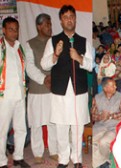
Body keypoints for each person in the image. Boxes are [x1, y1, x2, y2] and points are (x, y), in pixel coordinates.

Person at [41, 5, 93, 168]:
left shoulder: (84, 41)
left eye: (71, 16)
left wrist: (79, 58)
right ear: (61, 20)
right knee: (62, 126)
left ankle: (76, 158)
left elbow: (91, 66)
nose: (69, 19)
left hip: (79, 91)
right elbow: (44, 65)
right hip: (60, 91)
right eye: (66, 17)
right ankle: (63, 159)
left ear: (75, 18)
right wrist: (55, 54)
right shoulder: (53, 40)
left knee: (77, 126)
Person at [25, 13, 58, 164]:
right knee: (36, 123)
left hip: (53, 90)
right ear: (39, 26)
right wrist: (44, 78)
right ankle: (37, 153)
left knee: (53, 122)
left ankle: (54, 151)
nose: (49, 27)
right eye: (46, 24)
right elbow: (29, 67)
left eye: (50, 24)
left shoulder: (55, 42)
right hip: (37, 89)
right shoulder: (29, 44)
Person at [0, 17, 31, 168]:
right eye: (11, 29)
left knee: (21, 128)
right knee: (2, 130)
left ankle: (18, 157)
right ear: (4, 30)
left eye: (16, 29)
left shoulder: (19, 48)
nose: (14, 32)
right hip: (4, 95)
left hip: (20, 94)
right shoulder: (0, 47)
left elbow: (23, 71)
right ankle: (1, 161)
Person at [92, 78, 121, 168]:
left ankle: (105, 161)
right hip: (100, 126)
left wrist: (110, 116)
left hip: (114, 126)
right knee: (93, 140)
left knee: (103, 142)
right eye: (113, 86)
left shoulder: (120, 96)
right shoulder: (97, 97)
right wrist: (101, 116)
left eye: (115, 85)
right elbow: (93, 115)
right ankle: (100, 164)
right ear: (105, 88)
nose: (115, 87)